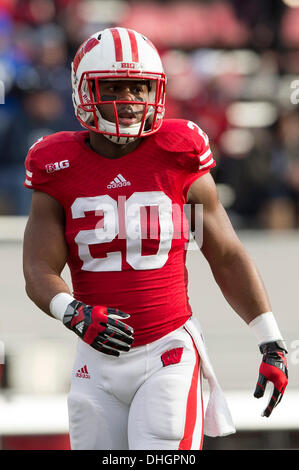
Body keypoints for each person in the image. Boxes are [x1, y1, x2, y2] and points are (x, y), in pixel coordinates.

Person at [22, 27, 288, 450]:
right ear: (81, 89)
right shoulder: (57, 164)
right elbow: (38, 268)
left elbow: (223, 253)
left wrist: (270, 340)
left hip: (167, 352)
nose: (128, 99)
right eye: (113, 85)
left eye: (139, 86)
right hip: (95, 361)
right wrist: (71, 310)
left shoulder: (178, 155)